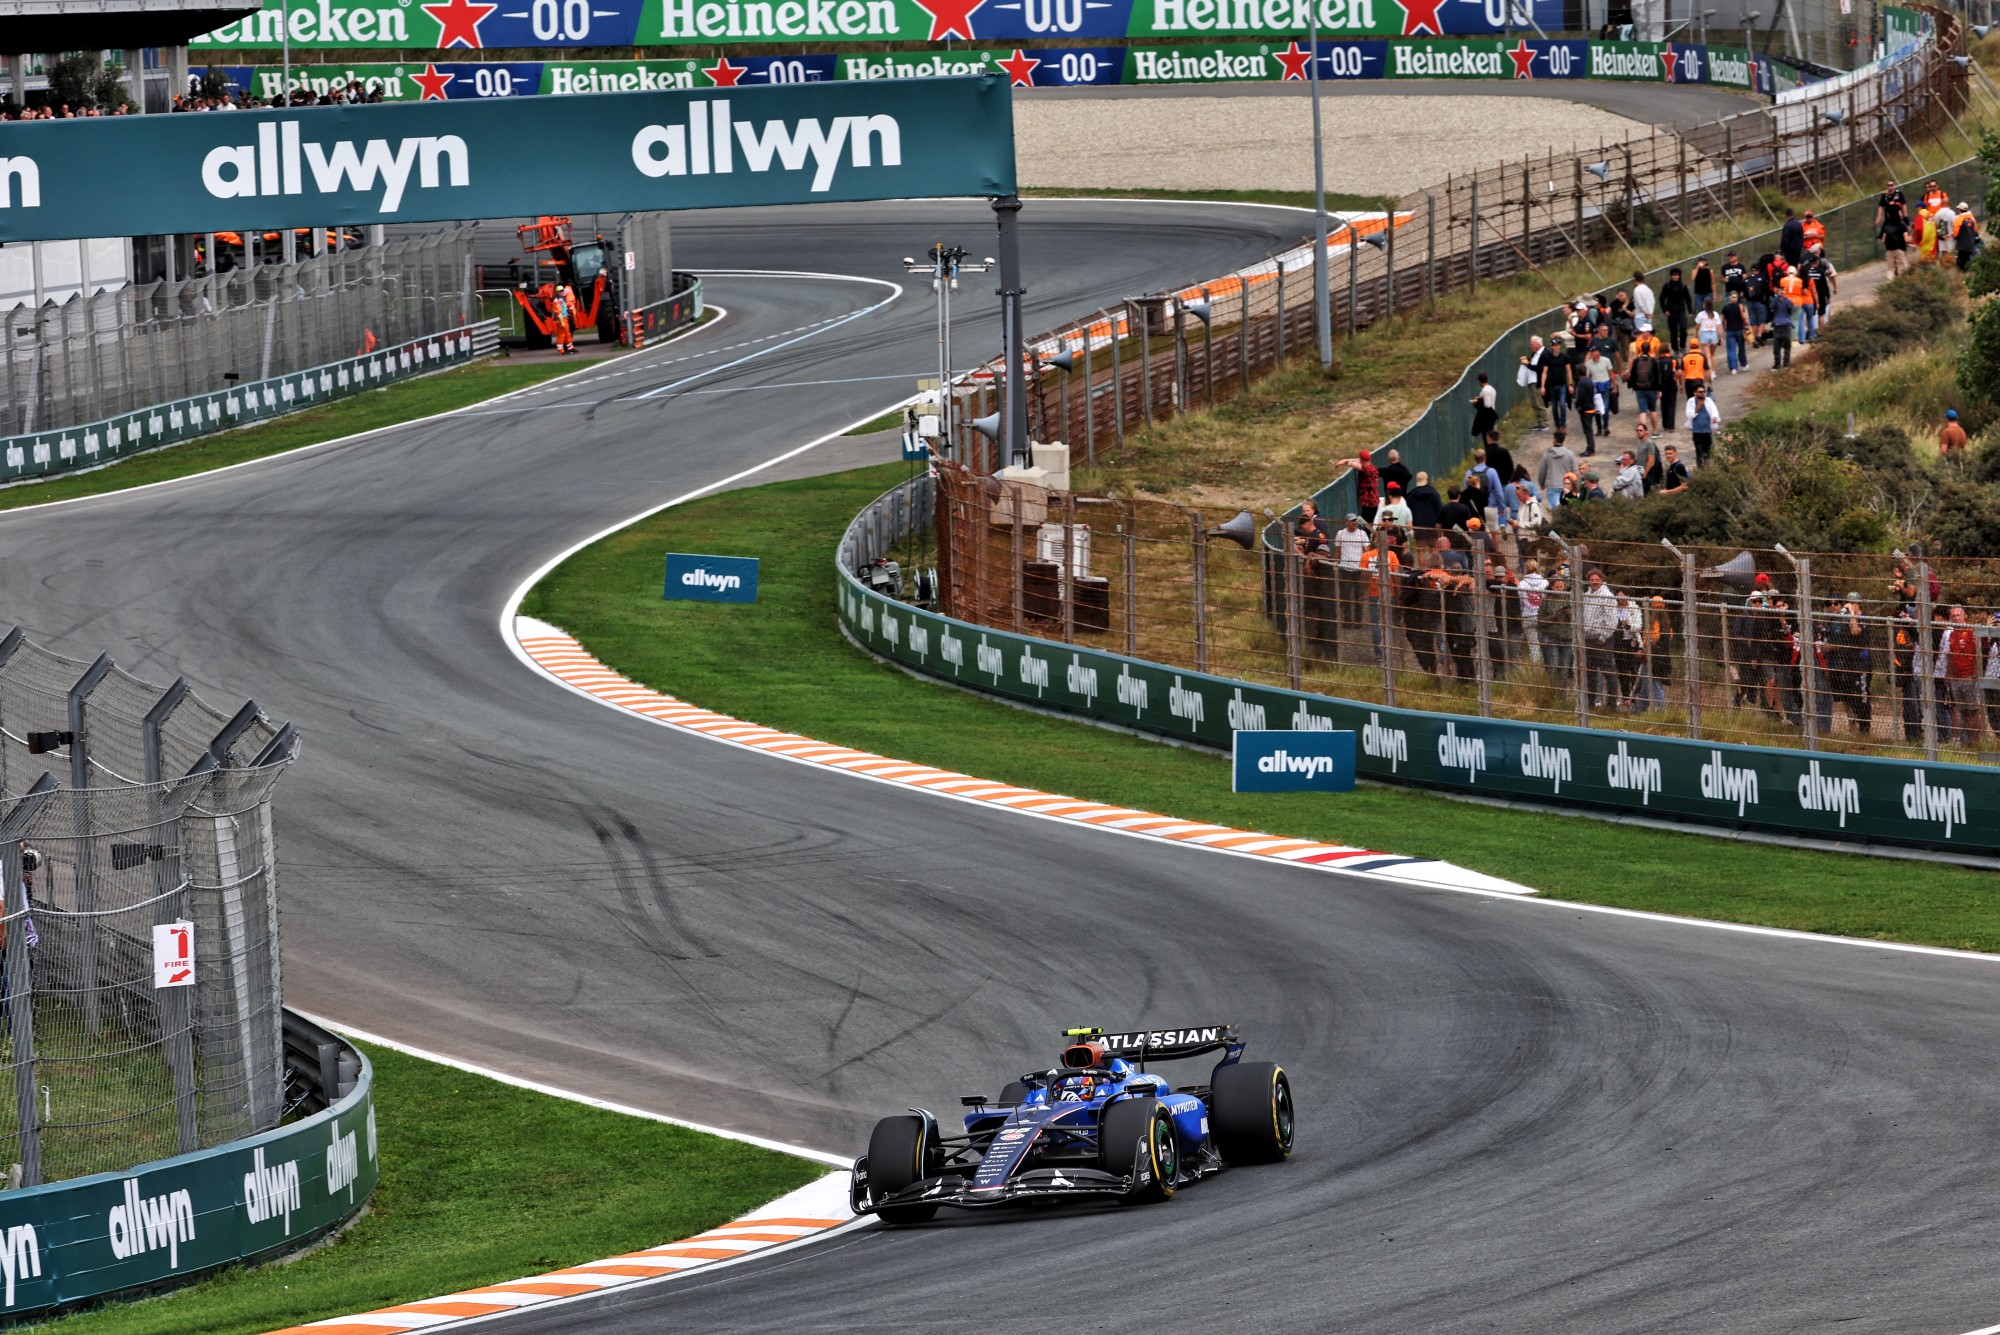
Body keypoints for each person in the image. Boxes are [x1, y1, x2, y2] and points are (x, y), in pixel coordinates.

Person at [1822, 594, 1872, 733]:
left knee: (1860, 696)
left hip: (1861, 663)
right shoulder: (1835, 620)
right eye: (1830, 603)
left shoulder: (1863, 618)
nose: (1833, 606)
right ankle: (1853, 726)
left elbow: (1855, 631)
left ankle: (1864, 728)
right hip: (1846, 663)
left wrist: (1851, 614)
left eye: (1837, 603)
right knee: (1845, 696)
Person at [1580, 569, 1619, 707]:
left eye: (1597, 579)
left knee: (1608, 672)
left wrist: (1603, 637)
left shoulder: (1607, 596)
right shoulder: (1586, 595)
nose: (1595, 582)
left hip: (1601, 639)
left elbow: (1612, 620)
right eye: (1592, 579)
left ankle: (1611, 704)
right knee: (1590, 672)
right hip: (1587, 638)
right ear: (1589, 580)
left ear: (1602, 580)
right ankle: (1590, 703)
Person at [1517, 558, 1549, 665]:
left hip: (1528, 615)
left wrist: (1522, 613)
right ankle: (1545, 666)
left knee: (1533, 644)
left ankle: (1536, 667)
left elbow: (1521, 602)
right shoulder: (1545, 583)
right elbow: (1546, 600)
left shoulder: (1522, 584)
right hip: (1542, 616)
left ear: (1526, 569)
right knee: (1544, 642)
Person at [1879, 179, 1911, 278]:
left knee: (1890, 270)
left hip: (1890, 249)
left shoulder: (1887, 225)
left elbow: (1883, 240)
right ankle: (1901, 282)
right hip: (1899, 248)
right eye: (1888, 185)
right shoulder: (1901, 224)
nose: (1890, 186)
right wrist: (1911, 239)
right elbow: (1906, 238)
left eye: (1891, 185)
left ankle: (1890, 281)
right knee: (1903, 267)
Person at [1660, 267, 1694, 354]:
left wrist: (1690, 310)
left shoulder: (1683, 286)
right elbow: (1661, 299)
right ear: (1671, 276)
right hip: (1671, 313)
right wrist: (1665, 310)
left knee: (1683, 329)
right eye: (1674, 275)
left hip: (1681, 311)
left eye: (1677, 275)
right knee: (1673, 332)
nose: (1675, 277)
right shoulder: (1667, 286)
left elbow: (1688, 299)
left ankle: (1683, 346)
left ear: (1679, 276)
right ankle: (1675, 349)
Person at [1686, 388, 1721, 470]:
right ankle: (1700, 469)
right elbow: (1690, 415)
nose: (1703, 393)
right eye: (1700, 392)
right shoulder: (1691, 402)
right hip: (1697, 431)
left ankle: (1707, 468)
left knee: (1707, 452)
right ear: (1695, 393)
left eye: (1704, 392)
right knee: (1699, 451)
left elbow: (1714, 411)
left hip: (1707, 431)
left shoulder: (1708, 400)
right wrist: (1699, 407)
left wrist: (1714, 417)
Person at [1521, 337, 1552, 429]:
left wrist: (1528, 365)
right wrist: (1527, 359)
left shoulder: (1545, 354)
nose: (1531, 346)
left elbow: (1541, 368)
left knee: (1539, 403)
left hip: (1538, 381)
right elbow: (1533, 362)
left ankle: (1544, 422)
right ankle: (1538, 421)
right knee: (1534, 403)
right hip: (1531, 381)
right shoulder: (1535, 354)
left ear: (1538, 344)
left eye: (1532, 344)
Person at [1536, 430, 1580, 495]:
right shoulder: (1570, 454)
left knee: (1554, 505)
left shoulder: (1547, 455)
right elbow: (1575, 471)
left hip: (1552, 485)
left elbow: (1542, 471)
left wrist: (1541, 483)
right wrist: (1576, 485)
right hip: (1567, 484)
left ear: (1555, 440)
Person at [1406, 470, 1442, 536]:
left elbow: (1408, 512)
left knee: (1420, 546)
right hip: (1432, 527)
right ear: (1427, 480)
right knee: (1433, 545)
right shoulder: (1434, 493)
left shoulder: (1411, 495)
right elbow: (1439, 510)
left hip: (1418, 528)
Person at [1721, 288, 1748, 375]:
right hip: (1739, 330)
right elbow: (1744, 318)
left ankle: (1733, 367)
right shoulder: (1740, 306)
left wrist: (1724, 328)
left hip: (1730, 330)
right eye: (1734, 297)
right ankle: (1743, 364)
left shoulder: (1725, 308)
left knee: (1731, 350)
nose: (1734, 298)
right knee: (1741, 348)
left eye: (1735, 297)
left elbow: (1723, 320)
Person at [1769, 287, 1795, 370]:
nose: (1782, 292)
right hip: (1777, 326)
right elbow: (1771, 307)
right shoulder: (1775, 300)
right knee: (1776, 347)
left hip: (1786, 325)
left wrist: (1784, 299)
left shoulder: (1788, 301)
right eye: (1780, 291)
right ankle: (1777, 364)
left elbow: (1791, 308)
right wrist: (1777, 298)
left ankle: (1786, 363)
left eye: (1783, 291)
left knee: (1787, 345)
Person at [1470, 373, 1499, 440]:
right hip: (1492, 414)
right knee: (1490, 434)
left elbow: (1487, 405)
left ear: (1480, 381)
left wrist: (1477, 402)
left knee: (1486, 436)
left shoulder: (1485, 390)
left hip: (1487, 417)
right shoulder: (1491, 389)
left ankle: (1489, 449)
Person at [1351, 454, 1381, 520]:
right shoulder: (1372, 467)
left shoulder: (1368, 469)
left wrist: (1348, 462)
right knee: (1365, 521)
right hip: (1371, 502)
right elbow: (1357, 461)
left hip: (1369, 503)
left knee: (1365, 521)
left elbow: (1355, 464)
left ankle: (1370, 530)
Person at [1953, 204, 1981, 272]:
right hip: (1971, 244)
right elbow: (1976, 231)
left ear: (1960, 210)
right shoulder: (1972, 218)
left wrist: (1955, 237)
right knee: (1967, 260)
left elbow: (1956, 234)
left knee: (1960, 263)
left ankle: (1961, 275)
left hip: (1962, 245)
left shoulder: (1959, 219)